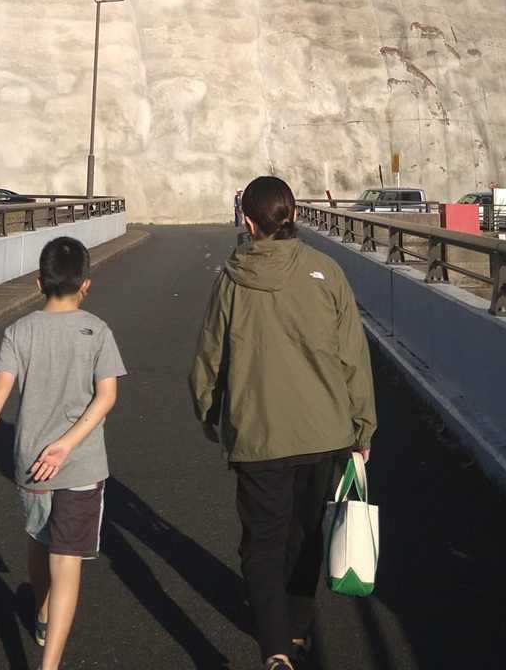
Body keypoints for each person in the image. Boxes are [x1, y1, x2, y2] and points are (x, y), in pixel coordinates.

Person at [189, 176, 376, 670]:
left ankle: (275, 649)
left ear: (249, 221)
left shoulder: (231, 280)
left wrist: (208, 409)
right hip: (326, 432)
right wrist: (363, 427)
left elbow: (210, 355)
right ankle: (296, 626)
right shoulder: (326, 272)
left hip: (259, 434)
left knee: (263, 544)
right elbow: (353, 358)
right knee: (307, 536)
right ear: (292, 215)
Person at [0, 236, 126, 670]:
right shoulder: (97, 331)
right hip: (80, 463)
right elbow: (106, 397)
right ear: (86, 284)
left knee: (39, 539)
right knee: (66, 560)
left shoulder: (19, 332)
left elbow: (0, 387)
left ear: (39, 282)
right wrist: (68, 444)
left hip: (31, 463)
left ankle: (41, 611)